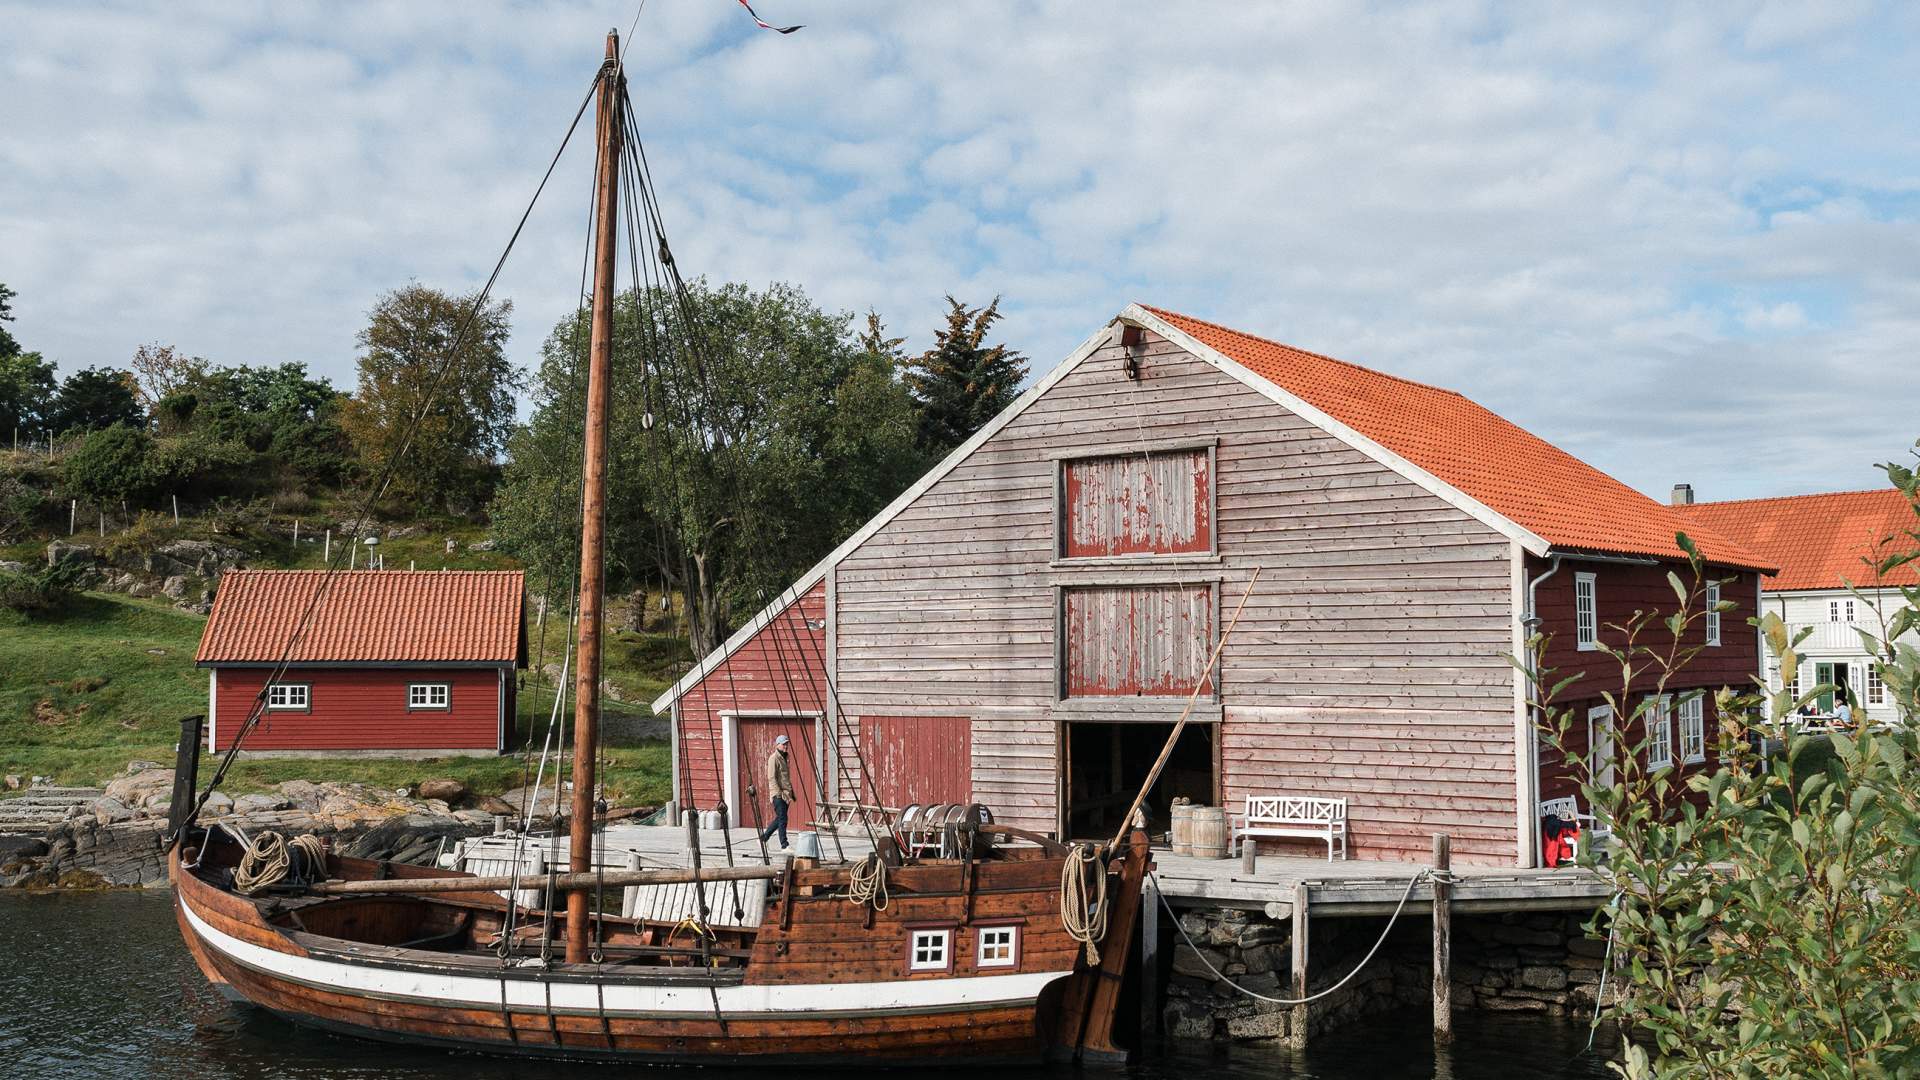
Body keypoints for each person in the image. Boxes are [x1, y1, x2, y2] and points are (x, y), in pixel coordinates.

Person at [760, 734, 795, 849]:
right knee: (783, 819)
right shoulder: (773, 758)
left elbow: (785, 778)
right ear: (778, 745)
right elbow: (772, 778)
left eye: (787, 744)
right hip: (778, 794)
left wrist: (790, 793)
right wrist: (779, 794)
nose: (786, 746)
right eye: (784, 744)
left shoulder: (784, 757)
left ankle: (763, 839)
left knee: (780, 818)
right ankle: (784, 845)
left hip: (785, 794)